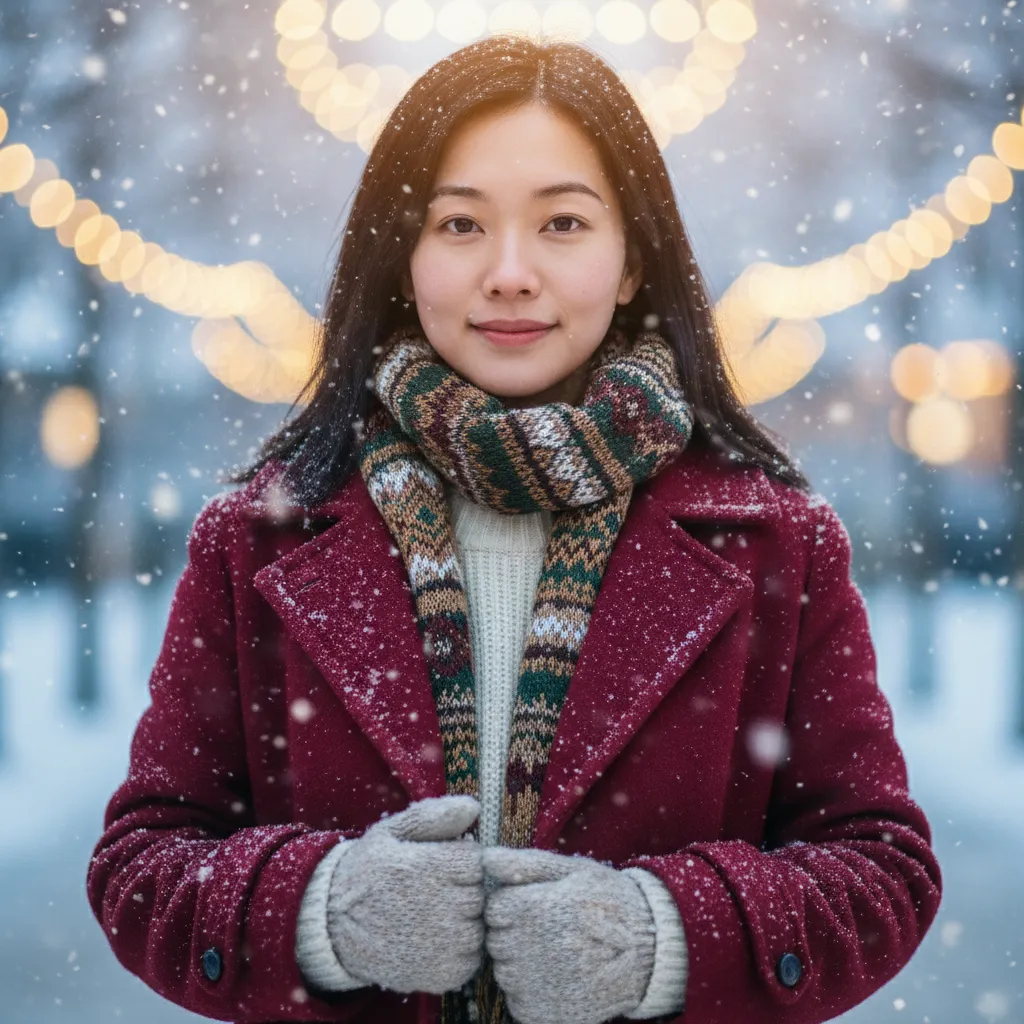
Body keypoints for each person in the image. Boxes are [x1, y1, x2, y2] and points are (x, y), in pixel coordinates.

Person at [86, 33, 942, 1024]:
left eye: (563, 223)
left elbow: (881, 870)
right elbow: (142, 863)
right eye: (458, 225)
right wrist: (323, 912)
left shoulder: (778, 544)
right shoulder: (254, 538)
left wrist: (660, 935)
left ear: (631, 262)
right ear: (402, 258)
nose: (508, 272)